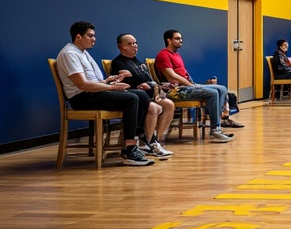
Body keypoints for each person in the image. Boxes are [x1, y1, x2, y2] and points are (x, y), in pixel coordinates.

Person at [55, 21, 153, 167]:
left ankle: (135, 140)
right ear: (78, 37)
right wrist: (112, 88)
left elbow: (93, 81)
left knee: (141, 95)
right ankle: (129, 149)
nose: (94, 39)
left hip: (93, 93)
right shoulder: (70, 53)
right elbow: (82, 85)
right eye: (90, 36)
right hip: (82, 98)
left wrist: (109, 81)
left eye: (94, 36)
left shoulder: (83, 53)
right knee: (132, 98)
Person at [154, 30, 236, 141]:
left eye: (181, 38)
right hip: (176, 91)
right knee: (213, 93)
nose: (181, 41)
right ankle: (215, 130)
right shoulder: (163, 55)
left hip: (187, 86)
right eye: (177, 38)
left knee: (222, 89)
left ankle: (218, 123)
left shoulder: (176, 55)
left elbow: (183, 73)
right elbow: (172, 76)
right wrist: (190, 85)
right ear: (168, 40)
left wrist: (194, 84)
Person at [111, 33, 173, 158]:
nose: (134, 46)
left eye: (135, 43)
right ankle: (149, 141)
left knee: (169, 104)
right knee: (156, 108)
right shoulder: (118, 62)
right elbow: (132, 82)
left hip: (148, 93)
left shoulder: (137, 61)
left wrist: (153, 86)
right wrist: (147, 84)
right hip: (135, 96)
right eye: (130, 44)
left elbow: (147, 80)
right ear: (121, 46)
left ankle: (156, 140)